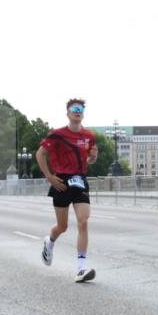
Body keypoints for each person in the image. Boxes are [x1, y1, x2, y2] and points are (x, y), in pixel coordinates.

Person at [37, 99, 98, 283]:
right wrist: (49, 176)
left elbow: (90, 159)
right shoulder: (57, 134)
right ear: (68, 113)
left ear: (83, 113)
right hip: (61, 181)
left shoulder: (89, 136)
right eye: (74, 109)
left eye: (80, 109)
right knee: (62, 227)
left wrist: (93, 157)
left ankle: (81, 268)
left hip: (79, 179)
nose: (78, 112)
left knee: (83, 221)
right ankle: (50, 240)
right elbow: (40, 154)